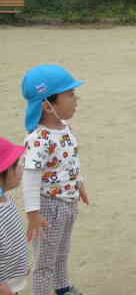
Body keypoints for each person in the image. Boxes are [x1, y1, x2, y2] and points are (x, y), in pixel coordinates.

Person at [21, 65, 87, 295]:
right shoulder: (39, 139)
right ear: (48, 106)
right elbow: (29, 178)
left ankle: (62, 286)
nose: (75, 99)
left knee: (62, 251)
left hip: (68, 202)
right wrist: (33, 215)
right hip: (48, 208)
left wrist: (80, 185)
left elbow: (70, 161)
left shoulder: (65, 128)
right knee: (44, 262)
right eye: (69, 95)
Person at [0, 138, 28, 295]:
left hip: (13, 281)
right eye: (16, 165)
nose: (21, 167)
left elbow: (13, 238)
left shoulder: (6, 199)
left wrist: (21, 266)